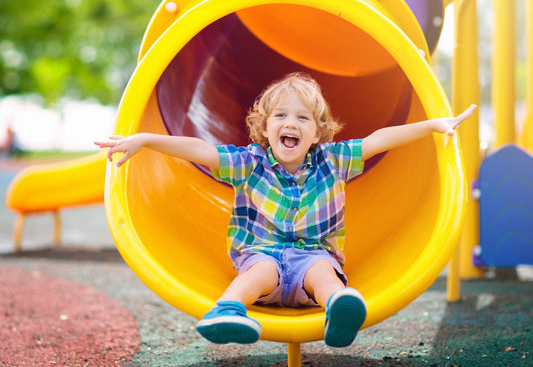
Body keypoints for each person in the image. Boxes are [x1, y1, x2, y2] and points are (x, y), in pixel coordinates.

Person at [95, 72, 476, 348]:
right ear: (264, 128)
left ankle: (339, 307)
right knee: (260, 268)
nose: (290, 123)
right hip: (262, 257)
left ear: (318, 132)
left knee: (323, 271)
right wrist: (144, 139)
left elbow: (379, 140)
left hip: (312, 257)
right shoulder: (249, 162)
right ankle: (227, 310)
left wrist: (432, 125)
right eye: (280, 116)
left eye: (302, 118)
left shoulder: (333, 159)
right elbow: (200, 150)